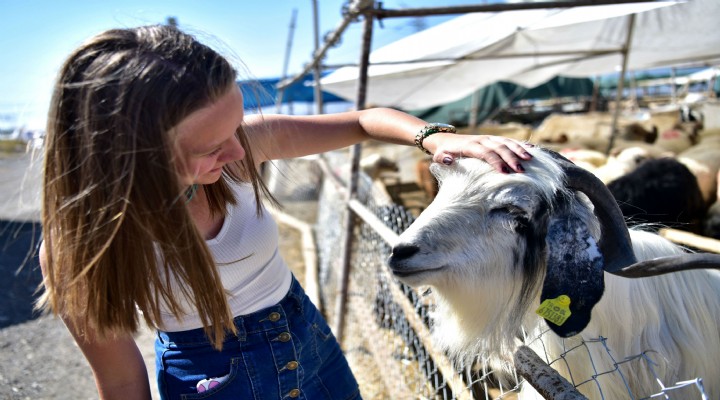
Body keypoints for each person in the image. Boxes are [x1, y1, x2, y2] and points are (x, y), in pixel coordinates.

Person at [37, 24, 532, 400]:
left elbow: (364, 121)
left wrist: (435, 137)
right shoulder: (80, 247)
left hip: (308, 337)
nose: (239, 152)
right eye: (210, 146)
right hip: (218, 380)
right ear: (131, 154)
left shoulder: (236, 152)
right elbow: (122, 380)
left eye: (236, 127)